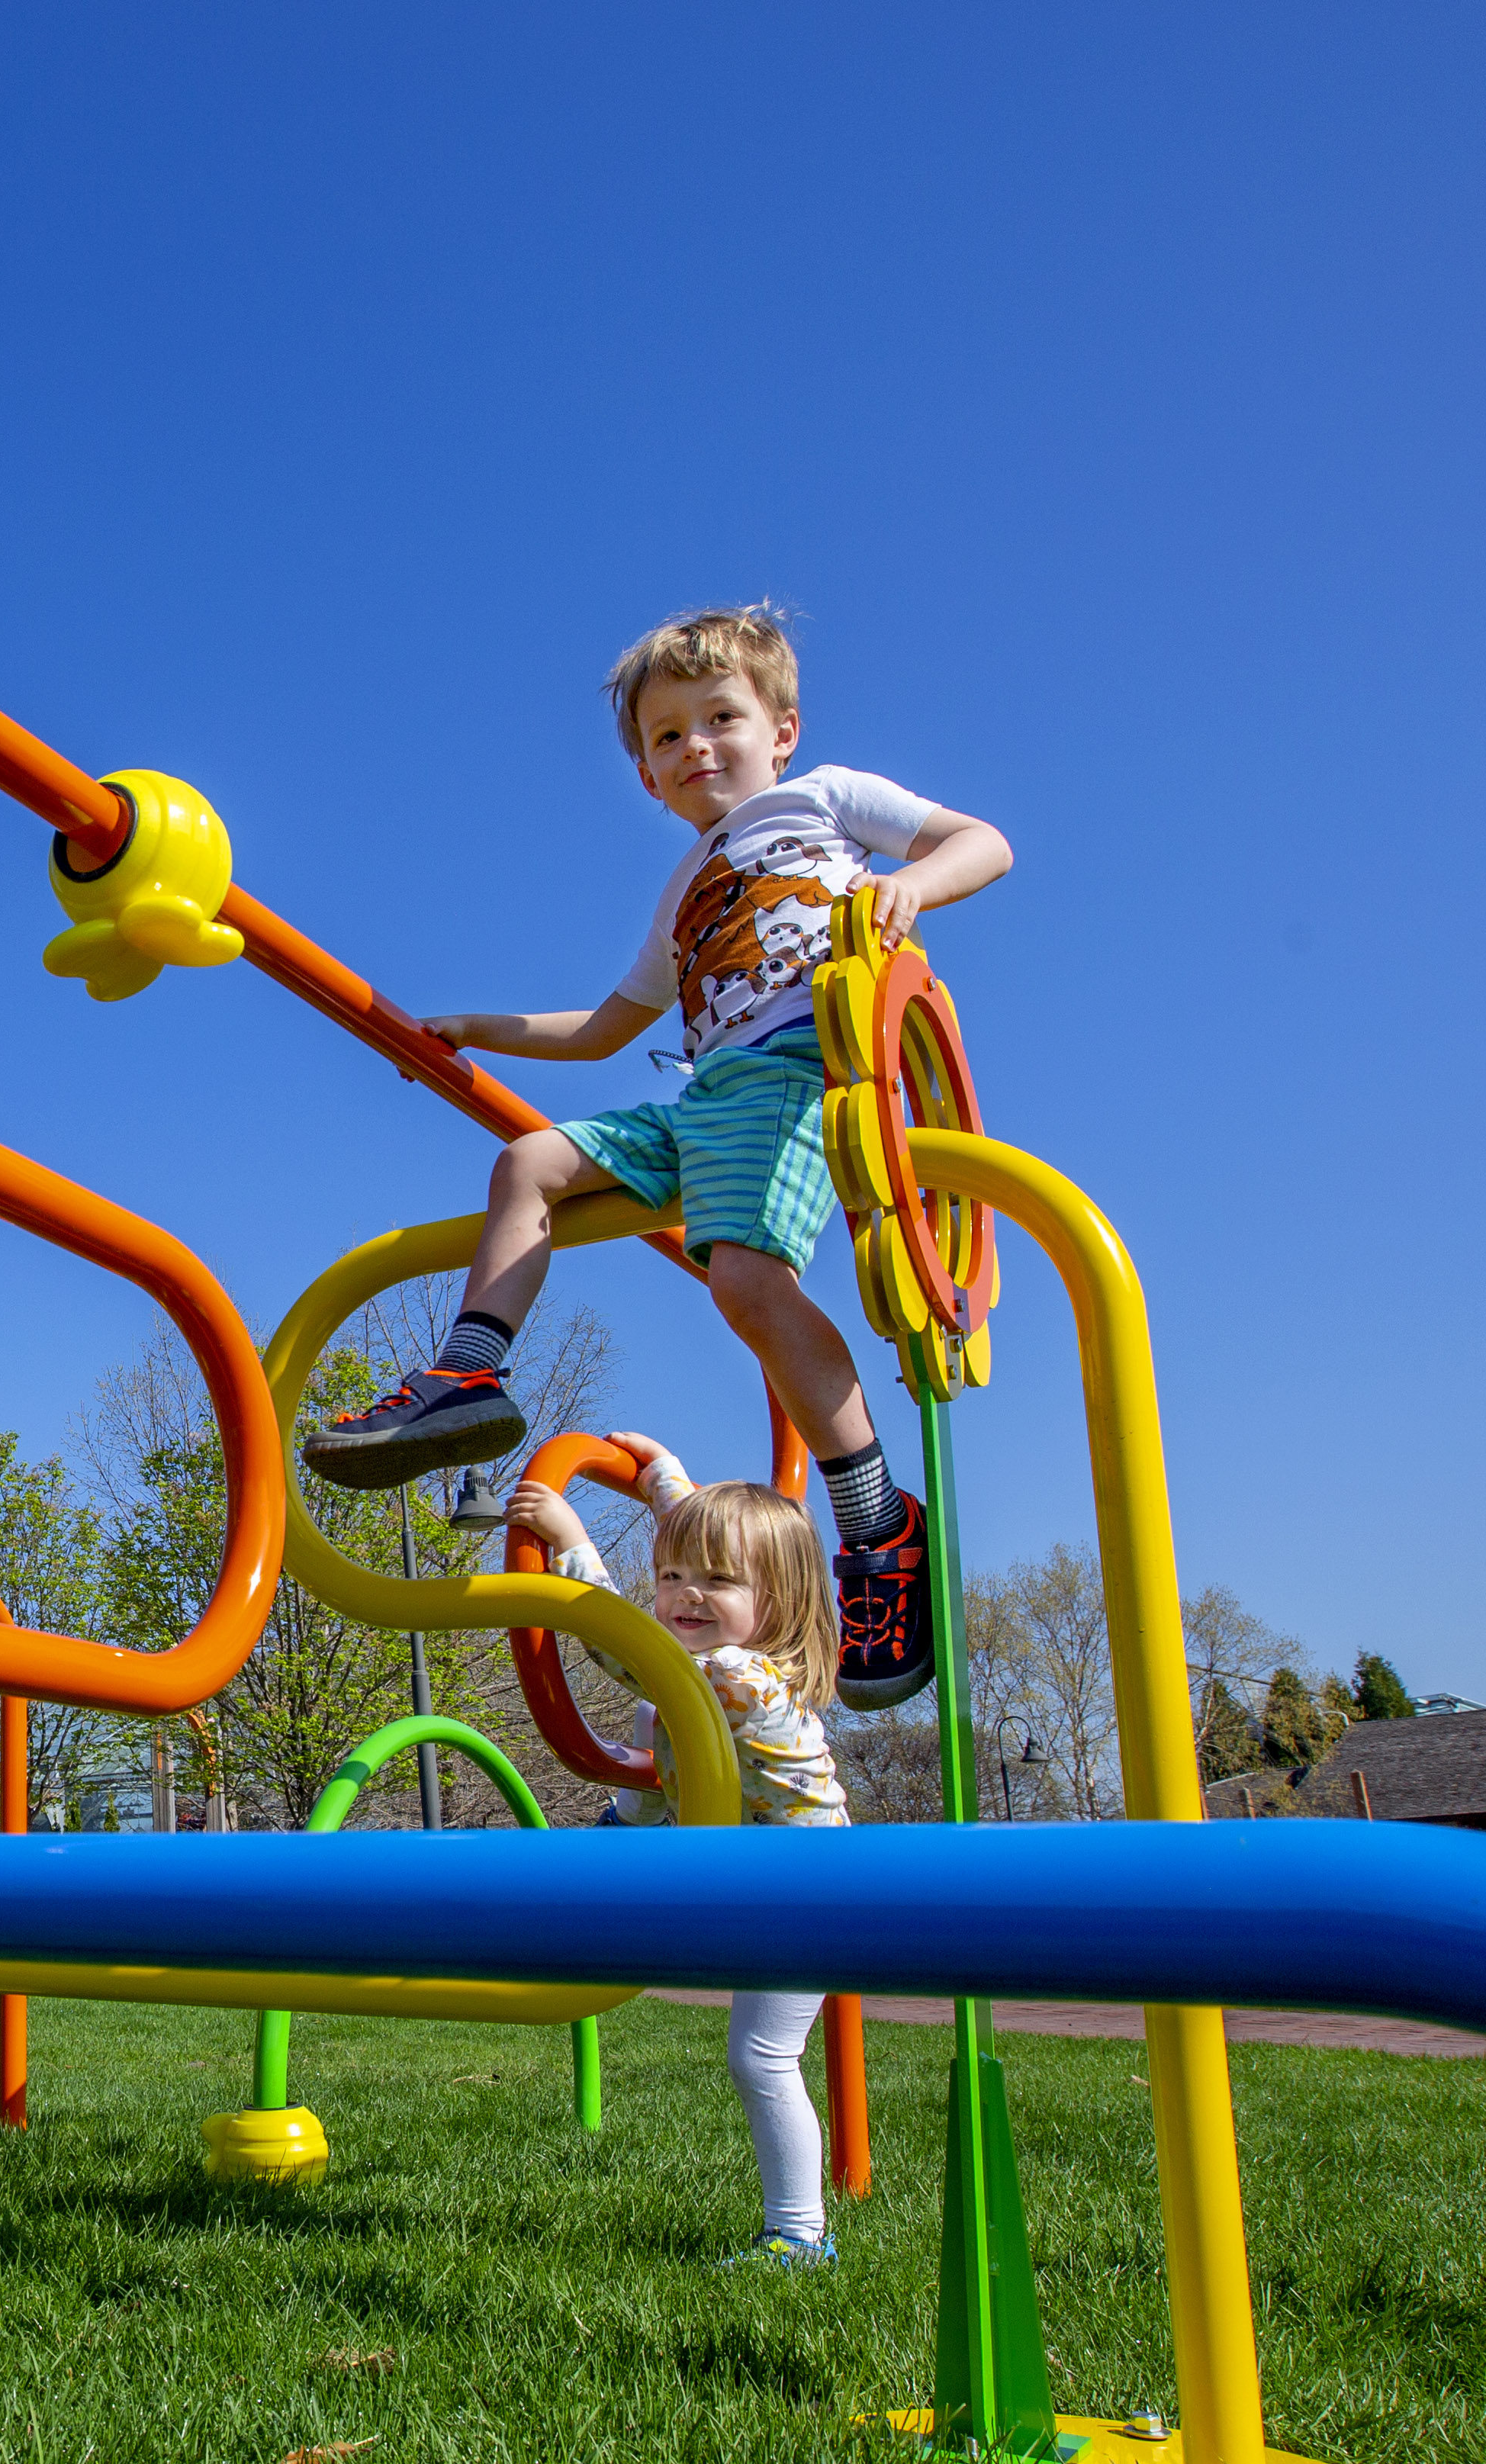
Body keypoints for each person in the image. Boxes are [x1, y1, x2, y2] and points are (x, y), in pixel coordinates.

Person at [304, 604, 1008, 1704]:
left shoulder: (821, 798)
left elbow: (984, 841)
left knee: (743, 1279)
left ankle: (875, 1524)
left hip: (798, 1070)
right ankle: (466, 1371)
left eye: (719, 716)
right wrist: (475, 1028)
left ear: (780, 727)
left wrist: (912, 884)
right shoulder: (681, 890)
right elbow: (599, 1028)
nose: (696, 746)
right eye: (667, 735)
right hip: (699, 1096)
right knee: (529, 1159)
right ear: (645, 776)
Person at [510, 1431, 849, 2267]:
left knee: (764, 2055)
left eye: (716, 1582)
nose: (684, 1595)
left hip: (801, 1885)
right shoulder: (728, 1639)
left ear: (780, 1597)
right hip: (755, 1867)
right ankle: (632, 1826)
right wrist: (662, 1476)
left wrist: (572, 1543)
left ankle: (799, 2235)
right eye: (670, 1577)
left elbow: (623, 1648)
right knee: (654, 1723)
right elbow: (708, 1547)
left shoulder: (737, 1671)